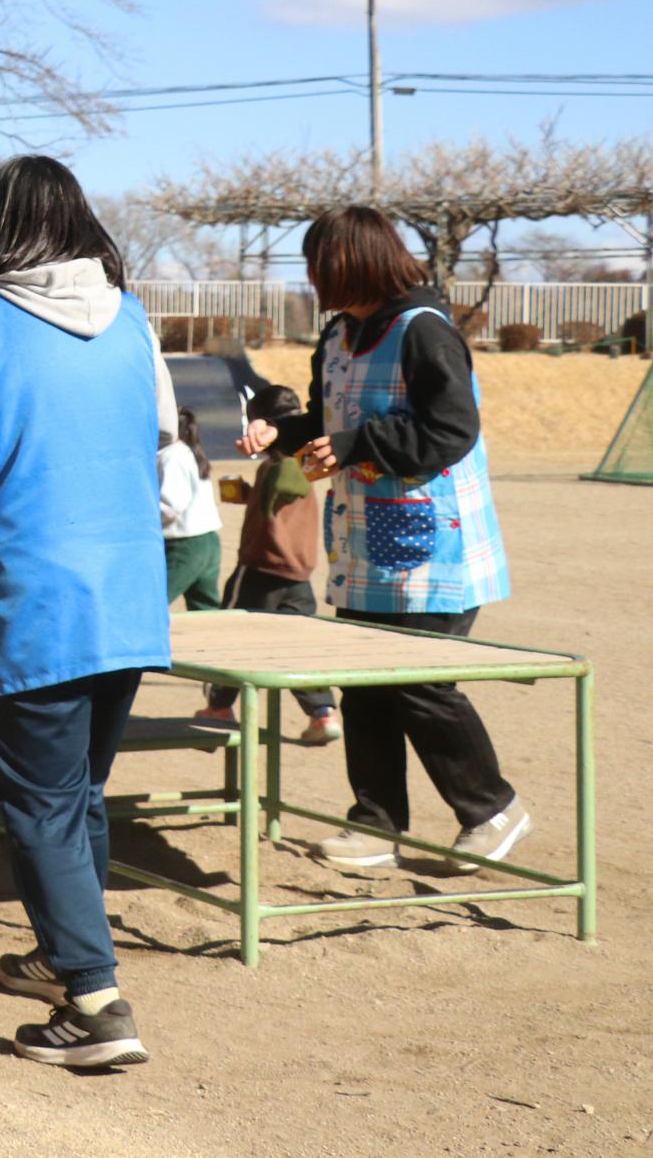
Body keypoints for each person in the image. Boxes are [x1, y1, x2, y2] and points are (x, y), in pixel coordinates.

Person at [0, 155, 173, 1070]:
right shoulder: (133, 320)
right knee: (77, 792)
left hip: (32, 598)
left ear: (0, 229)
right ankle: (63, 955)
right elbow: (161, 437)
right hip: (127, 596)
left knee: (39, 805)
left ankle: (94, 1004)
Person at [238, 205, 528, 872]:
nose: (312, 279)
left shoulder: (424, 331)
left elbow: (451, 430)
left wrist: (353, 446)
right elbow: (327, 420)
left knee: (421, 685)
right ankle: (375, 824)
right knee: (364, 686)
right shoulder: (338, 334)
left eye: (318, 266)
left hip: (435, 548)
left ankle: (492, 809)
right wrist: (281, 432)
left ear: (352, 264)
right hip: (365, 546)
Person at [196, 383, 339, 744]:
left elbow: (285, 488)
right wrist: (251, 496)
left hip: (260, 567)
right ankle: (322, 713)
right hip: (298, 573)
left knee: (229, 633)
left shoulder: (283, 464)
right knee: (297, 646)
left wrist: (269, 476)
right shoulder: (305, 463)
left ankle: (218, 705)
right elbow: (282, 502)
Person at [159, 407, 226, 611]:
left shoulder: (171, 456)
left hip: (184, 544)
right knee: (205, 606)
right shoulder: (189, 450)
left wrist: (144, 519)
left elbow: (171, 505)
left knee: (153, 600)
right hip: (208, 540)